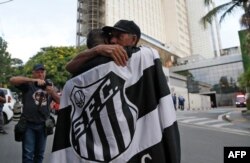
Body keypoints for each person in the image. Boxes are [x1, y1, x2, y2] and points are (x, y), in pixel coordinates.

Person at [51, 20, 180, 163]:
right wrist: (99, 50)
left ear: (133, 39)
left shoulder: (143, 57)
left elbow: (69, 67)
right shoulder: (89, 70)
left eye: (119, 36)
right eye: (111, 36)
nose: (113, 40)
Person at [9, 63, 60, 163]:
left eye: (42, 72)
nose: (40, 74)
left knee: (39, 155)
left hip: (43, 125)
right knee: (28, 155)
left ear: (45, 73)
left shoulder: (49, 85)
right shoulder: (28, 85)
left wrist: (52, 92)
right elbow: (12, 80)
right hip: (28, 125)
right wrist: (33, 80)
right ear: (33, 73)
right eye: (38, 72)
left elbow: (60, 101)